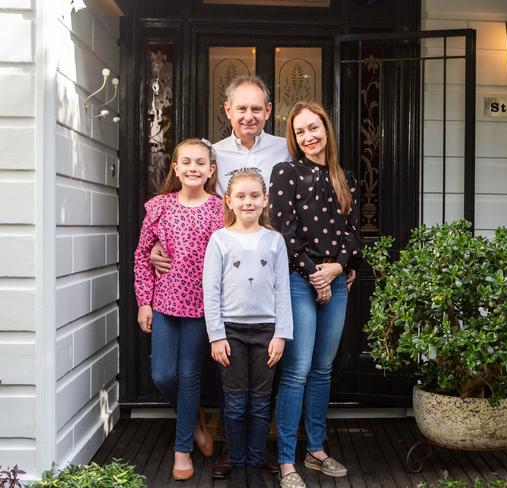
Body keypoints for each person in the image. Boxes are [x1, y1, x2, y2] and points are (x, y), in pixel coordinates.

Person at [149, 75, 290, 479]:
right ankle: (226, 448)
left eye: (256, 108)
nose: (249, 115)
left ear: (267, 111)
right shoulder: (213, 154)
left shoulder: (283, 149)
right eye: (240, 108)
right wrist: (161, 246)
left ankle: (259, 452)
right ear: (227, 110)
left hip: (274, 270)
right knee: (227, 383)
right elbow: (193, 208)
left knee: (261, 384)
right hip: (221, 287)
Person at [268, 101, 361, 488]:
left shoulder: (346, 178)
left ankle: (317, 450)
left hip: (335, 279)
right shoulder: (286, 173)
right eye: (300, 131)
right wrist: (315, 274)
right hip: (297, 279)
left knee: (323, 369)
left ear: (326, 129)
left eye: (314, 128)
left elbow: (353, 233)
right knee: (297, 370)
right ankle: (287, 460)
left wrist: (337, 268)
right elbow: (283, 232)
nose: (308, 137)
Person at [134, 138, 223, 481]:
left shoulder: (219, 209)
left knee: (189, 376)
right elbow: (143, 256)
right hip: (166, 303)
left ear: (211, 170)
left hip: (202, 306)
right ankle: (194, 415)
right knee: (163, 375)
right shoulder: (160, 206)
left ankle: (183, 448)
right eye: (186, 162)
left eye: (200, 163)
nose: (193, 168)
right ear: (175, 167)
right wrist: (144, 301)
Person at [203, 168, 293, 488]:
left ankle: (256, 459)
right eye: (240, 196)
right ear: (228, 200)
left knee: (260, 399)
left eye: (255, 195)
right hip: (231, 332)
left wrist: (281, 334)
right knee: (236, 400)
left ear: (265, 200)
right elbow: (210, 291)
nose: (248, 202)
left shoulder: (275, 241)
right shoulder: (220, 240)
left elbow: (283, 290)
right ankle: (236, 459)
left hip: (266, 331)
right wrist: (216, 335)